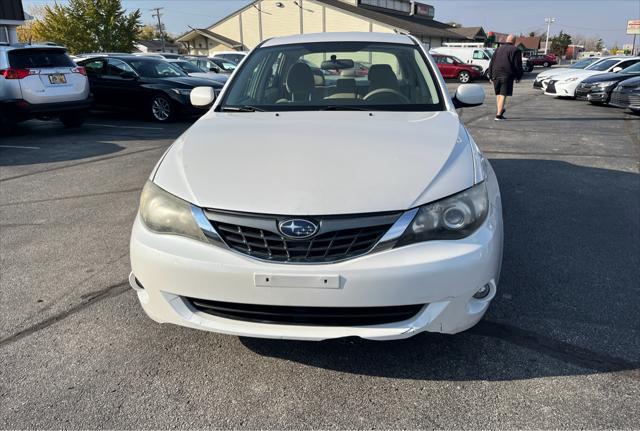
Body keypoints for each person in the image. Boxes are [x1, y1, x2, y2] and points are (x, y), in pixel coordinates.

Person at [487, 34, 524, 121]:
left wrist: (490, 75)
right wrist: (518, 76)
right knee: (503, 94)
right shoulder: (516, 50)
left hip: (495, 74)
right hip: (506, 74)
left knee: (498, 94)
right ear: (514, 41)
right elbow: (517, 65)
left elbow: (492, 62)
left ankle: (500, 111)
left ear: (507, 40)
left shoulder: (498, 49)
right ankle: (498, 115)